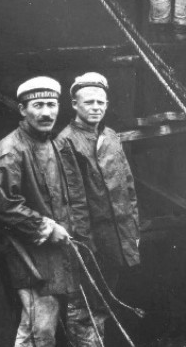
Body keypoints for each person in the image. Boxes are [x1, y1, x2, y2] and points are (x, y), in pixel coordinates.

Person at [0, 77, 102, 347]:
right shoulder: (10, 149)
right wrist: (46, 226)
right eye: (37, 105)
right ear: (22, 109)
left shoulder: (51, 145)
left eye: (52, 105)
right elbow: (4, 206)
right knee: (36, 336)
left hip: (57, 256)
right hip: (31, 258)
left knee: (47, 336)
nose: (46, 112)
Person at [55, 72, 141, 306]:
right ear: (74, 104)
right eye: (89, 102)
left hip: (119, 236)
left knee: (108, 299)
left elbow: (128, 188)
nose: (96, 107)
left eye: (100, 102)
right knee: (90, 303)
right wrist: (86, 246)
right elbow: (74, 200)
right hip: (94, 241)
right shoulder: (66, 141)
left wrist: (133, 231)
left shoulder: (111, 136)